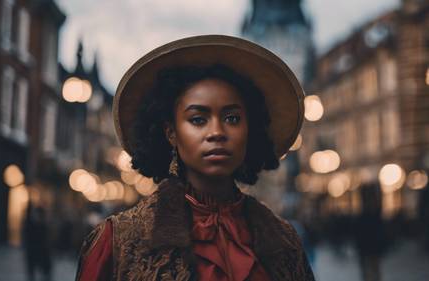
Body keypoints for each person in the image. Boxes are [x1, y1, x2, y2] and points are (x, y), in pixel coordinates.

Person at [75, 35, 315, 281]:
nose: (217, 133)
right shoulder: (119, 241)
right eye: (198, 119)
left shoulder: (284, 241)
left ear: (250, 128)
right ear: (171, 133)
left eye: (232, 118)